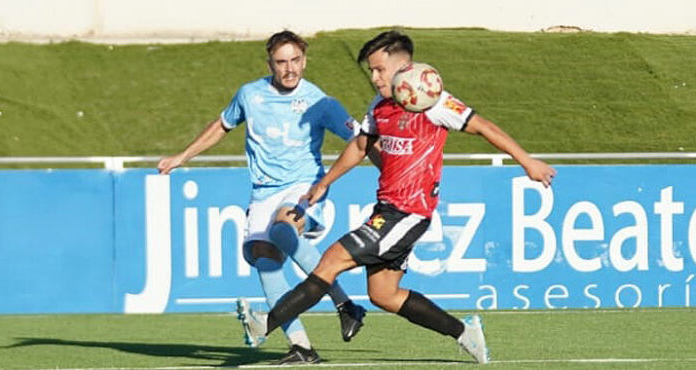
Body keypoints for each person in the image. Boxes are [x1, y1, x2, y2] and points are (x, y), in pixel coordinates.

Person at [250, 30, 557, 365]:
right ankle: (464, 333)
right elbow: (360, 146)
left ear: (404, 67)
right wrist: (325, 182)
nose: (374, 77)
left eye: (379, 69)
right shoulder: (379, 106)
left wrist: (527, 161)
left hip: (408, 213)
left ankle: (264, 324)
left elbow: (482, 125)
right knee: (384, 294)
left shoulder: (433, 101)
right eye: (371, 70)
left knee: (331, 261)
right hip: (387, 210)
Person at [157, 30, 367, 365]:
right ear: (270, 63)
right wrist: (183, 157)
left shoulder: (320, 102)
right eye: (281, 62)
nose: (289, 69)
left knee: (282, 229)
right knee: (264, 258)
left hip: (302, 187)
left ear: (305, 60)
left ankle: (344, 303)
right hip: (262, 192)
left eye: (295, 60)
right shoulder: (250, 95)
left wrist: (391, 165)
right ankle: (301, 345)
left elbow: (360, 139)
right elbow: (222, 125)